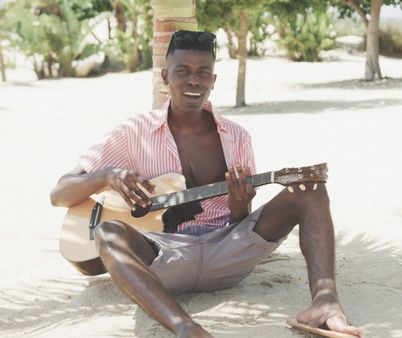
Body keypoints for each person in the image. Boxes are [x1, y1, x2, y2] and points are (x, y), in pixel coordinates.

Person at [50, 30, 362, 338]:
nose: (193, 81)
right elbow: (60, 193)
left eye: (203, 73)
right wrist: (108, 176)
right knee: (107, 231)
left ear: (213, 80)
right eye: (182, 71)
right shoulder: (133, 133)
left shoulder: (237, 137)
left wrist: (240, 204)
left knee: (311, 190)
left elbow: (241, 222)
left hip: (226, 253)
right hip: (162, 258)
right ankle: (187, 329)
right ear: (165, 76)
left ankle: (325, 304)